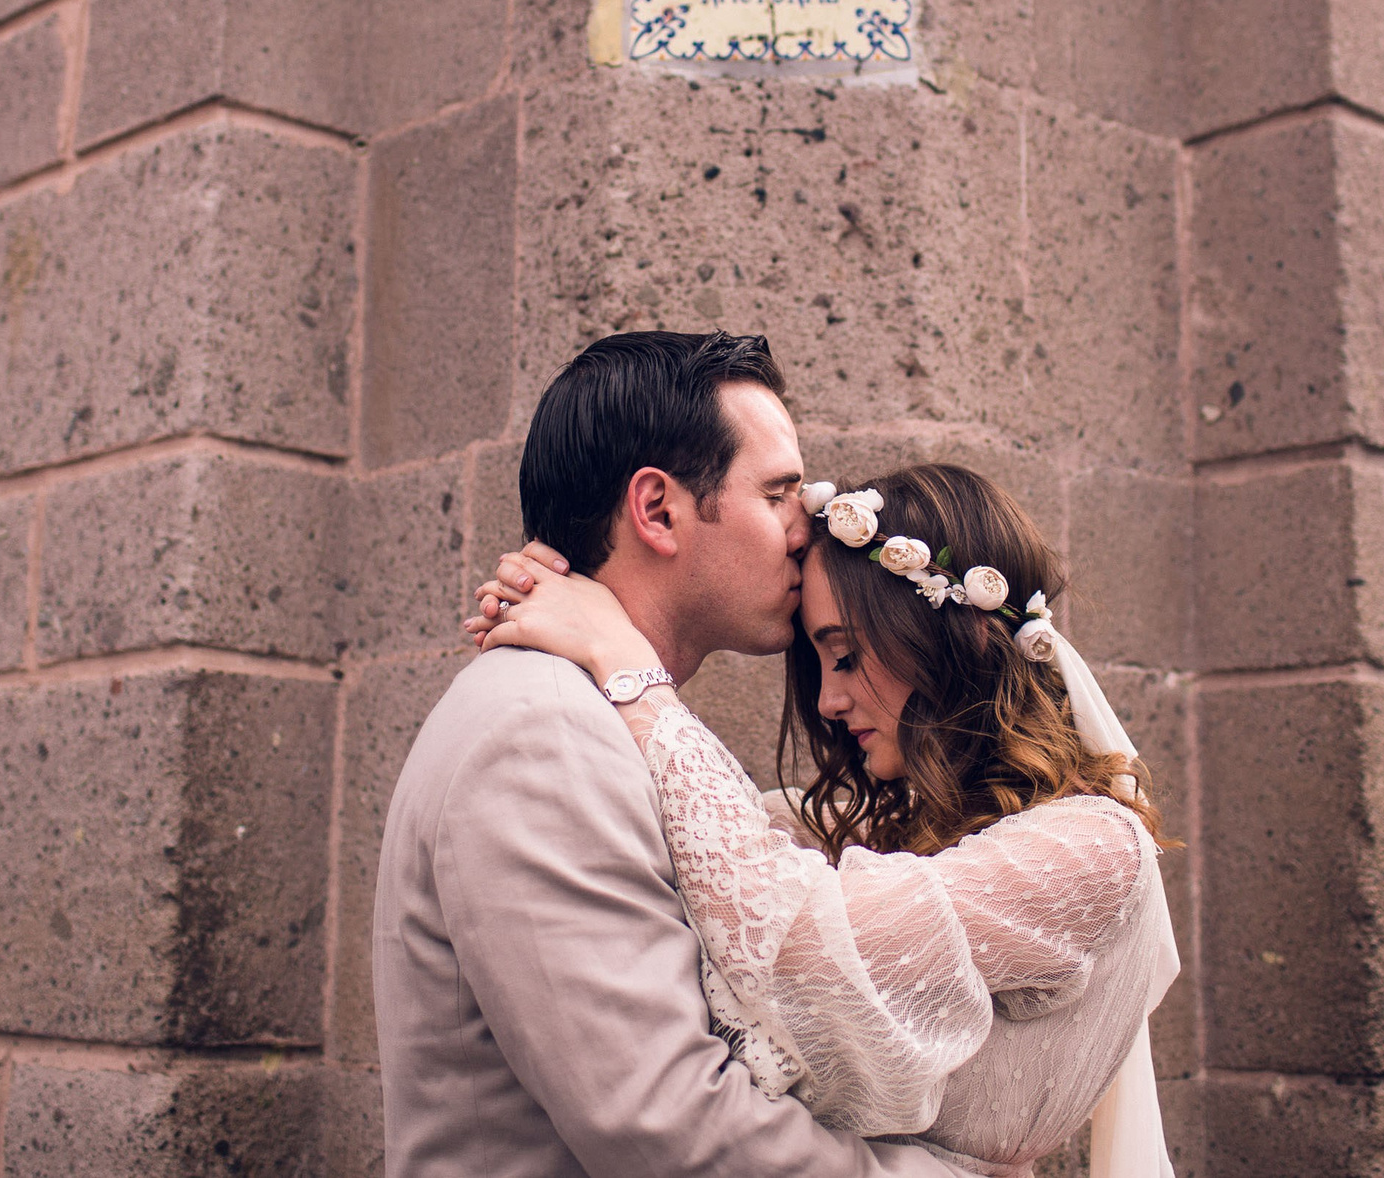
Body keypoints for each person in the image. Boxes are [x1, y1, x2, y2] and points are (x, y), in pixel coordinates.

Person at [468, 461, 1180, 1178]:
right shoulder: (851, 833)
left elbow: (796, 940)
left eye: (844, 656)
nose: (829, 702)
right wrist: (568, 603)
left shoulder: (1095, 850)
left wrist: (623, 663)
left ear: (954, 641)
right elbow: (700, 835)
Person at [371, 330, 952, 1178]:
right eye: (779, 493)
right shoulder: (541, 736)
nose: (808, 527)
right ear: (657, 510)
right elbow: (664, 1121)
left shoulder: (589, 715)